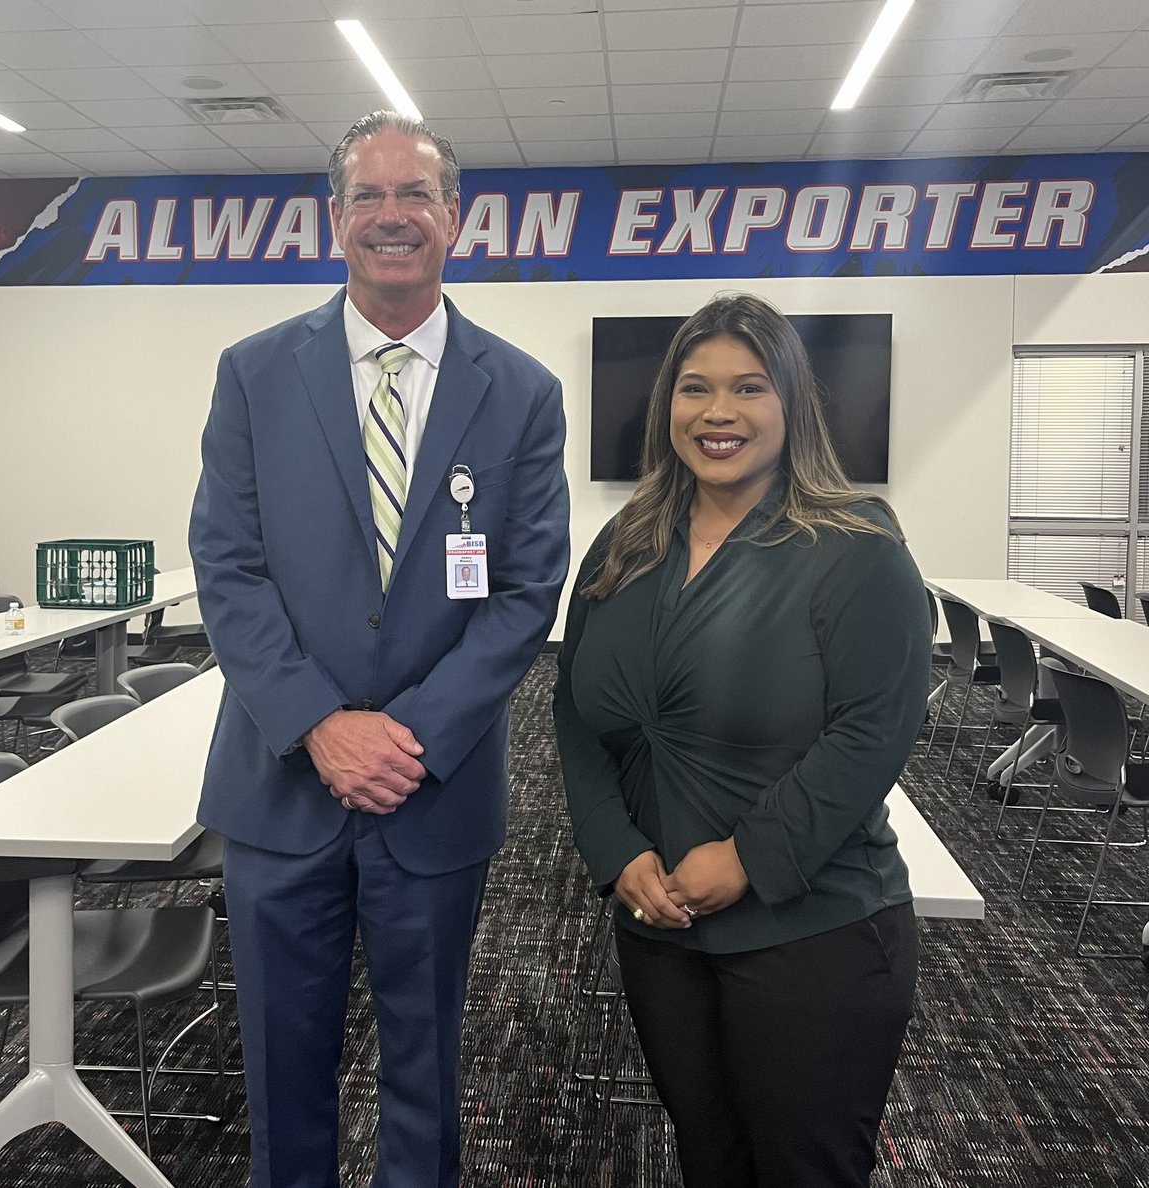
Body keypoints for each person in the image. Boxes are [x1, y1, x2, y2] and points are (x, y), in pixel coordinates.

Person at [190, 110, 569, 1188]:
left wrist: (403, 737)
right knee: (279, 1069)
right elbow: (227, 564)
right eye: (369, 196)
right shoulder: (255, 374)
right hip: (279, 788)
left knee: (426, 1070)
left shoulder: (521, 392)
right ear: (334, 219)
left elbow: (525, 593)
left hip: (430, 788)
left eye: (417, 196)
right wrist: (319, 724)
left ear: (458, 218)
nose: (393, 217)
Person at [553, 293, 929, 1187]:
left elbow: (874, 733)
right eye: (695, 389)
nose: (718, 413)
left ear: (792, 404)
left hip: (814, 931)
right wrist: (618, 851)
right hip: (659, 927)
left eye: (749, 388)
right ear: (667, 408)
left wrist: (750, 858)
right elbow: (573, 708)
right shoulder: (624, 543)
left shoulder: (855, 544)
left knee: (804, 1167)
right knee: (710, 1160)